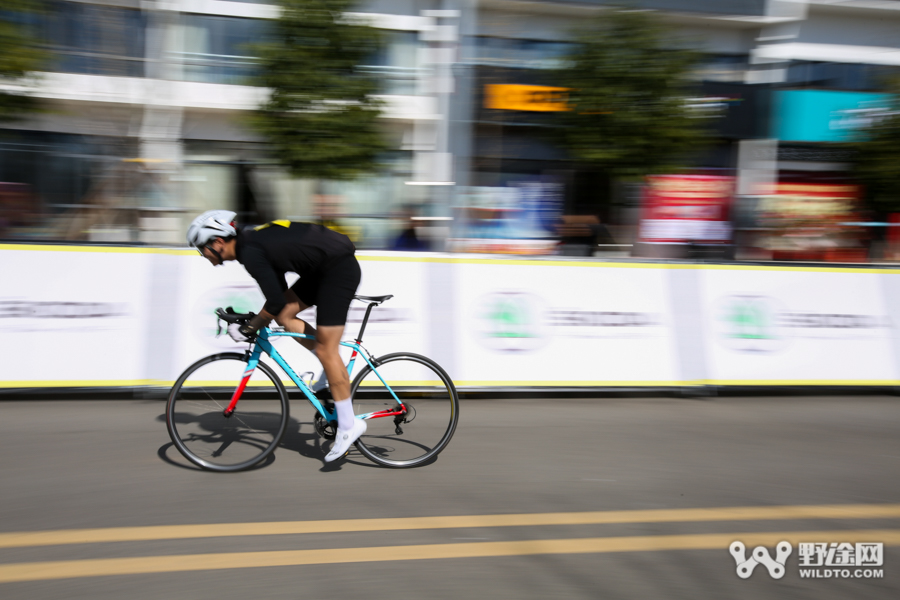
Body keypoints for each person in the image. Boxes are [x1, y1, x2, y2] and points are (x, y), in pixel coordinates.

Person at [186, 209, 365, 462]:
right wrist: (256, 320)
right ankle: (330, 369)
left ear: (217, 242)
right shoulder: (250, 244)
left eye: (201, 248)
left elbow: (274, 301)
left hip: (336, 270)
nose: (202, 254)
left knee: (326, 350)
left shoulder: (249, 252)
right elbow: (279, 300)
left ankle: (349, 426)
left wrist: (251, 327)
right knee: (286, 318)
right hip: (322, 268)